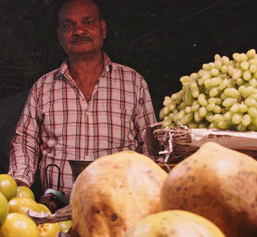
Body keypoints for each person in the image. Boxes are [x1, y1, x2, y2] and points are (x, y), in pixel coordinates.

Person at [8, 0, 157, 198]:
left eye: (88, 23)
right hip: (56, 207)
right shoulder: (43, 87)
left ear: (102, 30)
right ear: (60, 35)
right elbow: (25, 142)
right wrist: (20, 182)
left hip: (120, 202)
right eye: (69, 26)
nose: (79, 31)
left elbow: (150, 145)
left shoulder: (133, 82)